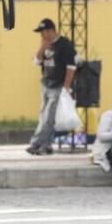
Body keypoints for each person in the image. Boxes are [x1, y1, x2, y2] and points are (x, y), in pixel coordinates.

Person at [27, 18, 76, 155]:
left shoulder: (65, 44)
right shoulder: (45, 45)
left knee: (49, 116)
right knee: (43, 116)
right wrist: (42, 47)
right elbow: (36, 62)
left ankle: (35, 143)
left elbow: (71, 67)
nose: (42, 36)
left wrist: (66, 88)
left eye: (43, 32)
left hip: (58, 86)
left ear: (51, 31)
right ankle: (46, 146)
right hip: (46, 84)